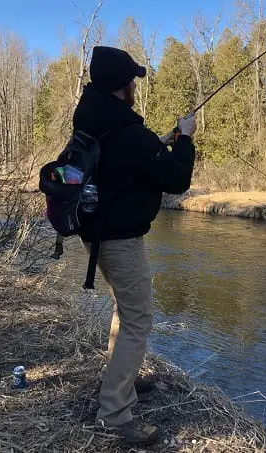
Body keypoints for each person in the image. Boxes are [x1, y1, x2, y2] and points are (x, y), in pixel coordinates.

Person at [72, 46, 196, 446]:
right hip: (120, 240)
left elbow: (127, 162)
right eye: (131, 80)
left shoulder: (93, 118)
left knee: (124, 313)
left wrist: (160, 143)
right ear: (120, 86)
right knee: (138, 320)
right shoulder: (127, 133)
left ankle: (118, 386)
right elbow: (177, 180)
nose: (134, 86)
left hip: (98, 235)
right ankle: (113, 413)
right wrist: (186, 140)